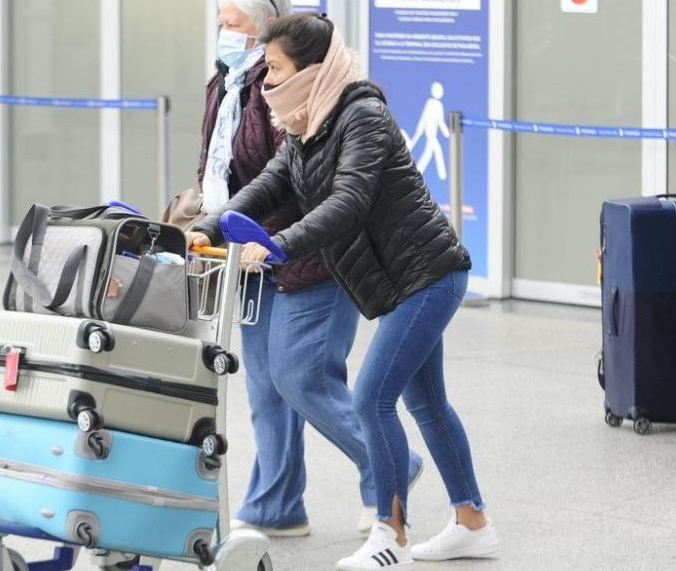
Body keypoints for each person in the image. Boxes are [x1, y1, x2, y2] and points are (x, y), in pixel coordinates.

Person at [189, 13, 499, 570]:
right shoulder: (306, 126)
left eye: (276, 71)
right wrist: (207, 228)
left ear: (311, 70)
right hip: (398, 281)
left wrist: (278, 244)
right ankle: (472, 521)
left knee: (371, 397)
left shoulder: (363, 115)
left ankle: (390, 534)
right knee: (426, 402)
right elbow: (264, 188)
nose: (266, 83)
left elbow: (349, 200)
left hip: (428, 274)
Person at [199, 0, 421, 537]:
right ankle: (276, 506)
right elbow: (235, 172)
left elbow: (326, 196)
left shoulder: (306, 101)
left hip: (314, 257)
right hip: (250, 256)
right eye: (221, 22)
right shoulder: (225, 84)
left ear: (262, 33)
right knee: (266, 388)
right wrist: (208, 223)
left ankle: (389, 468)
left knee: (302, 376)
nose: (223, 32)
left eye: (232, 23)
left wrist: (278, 242)